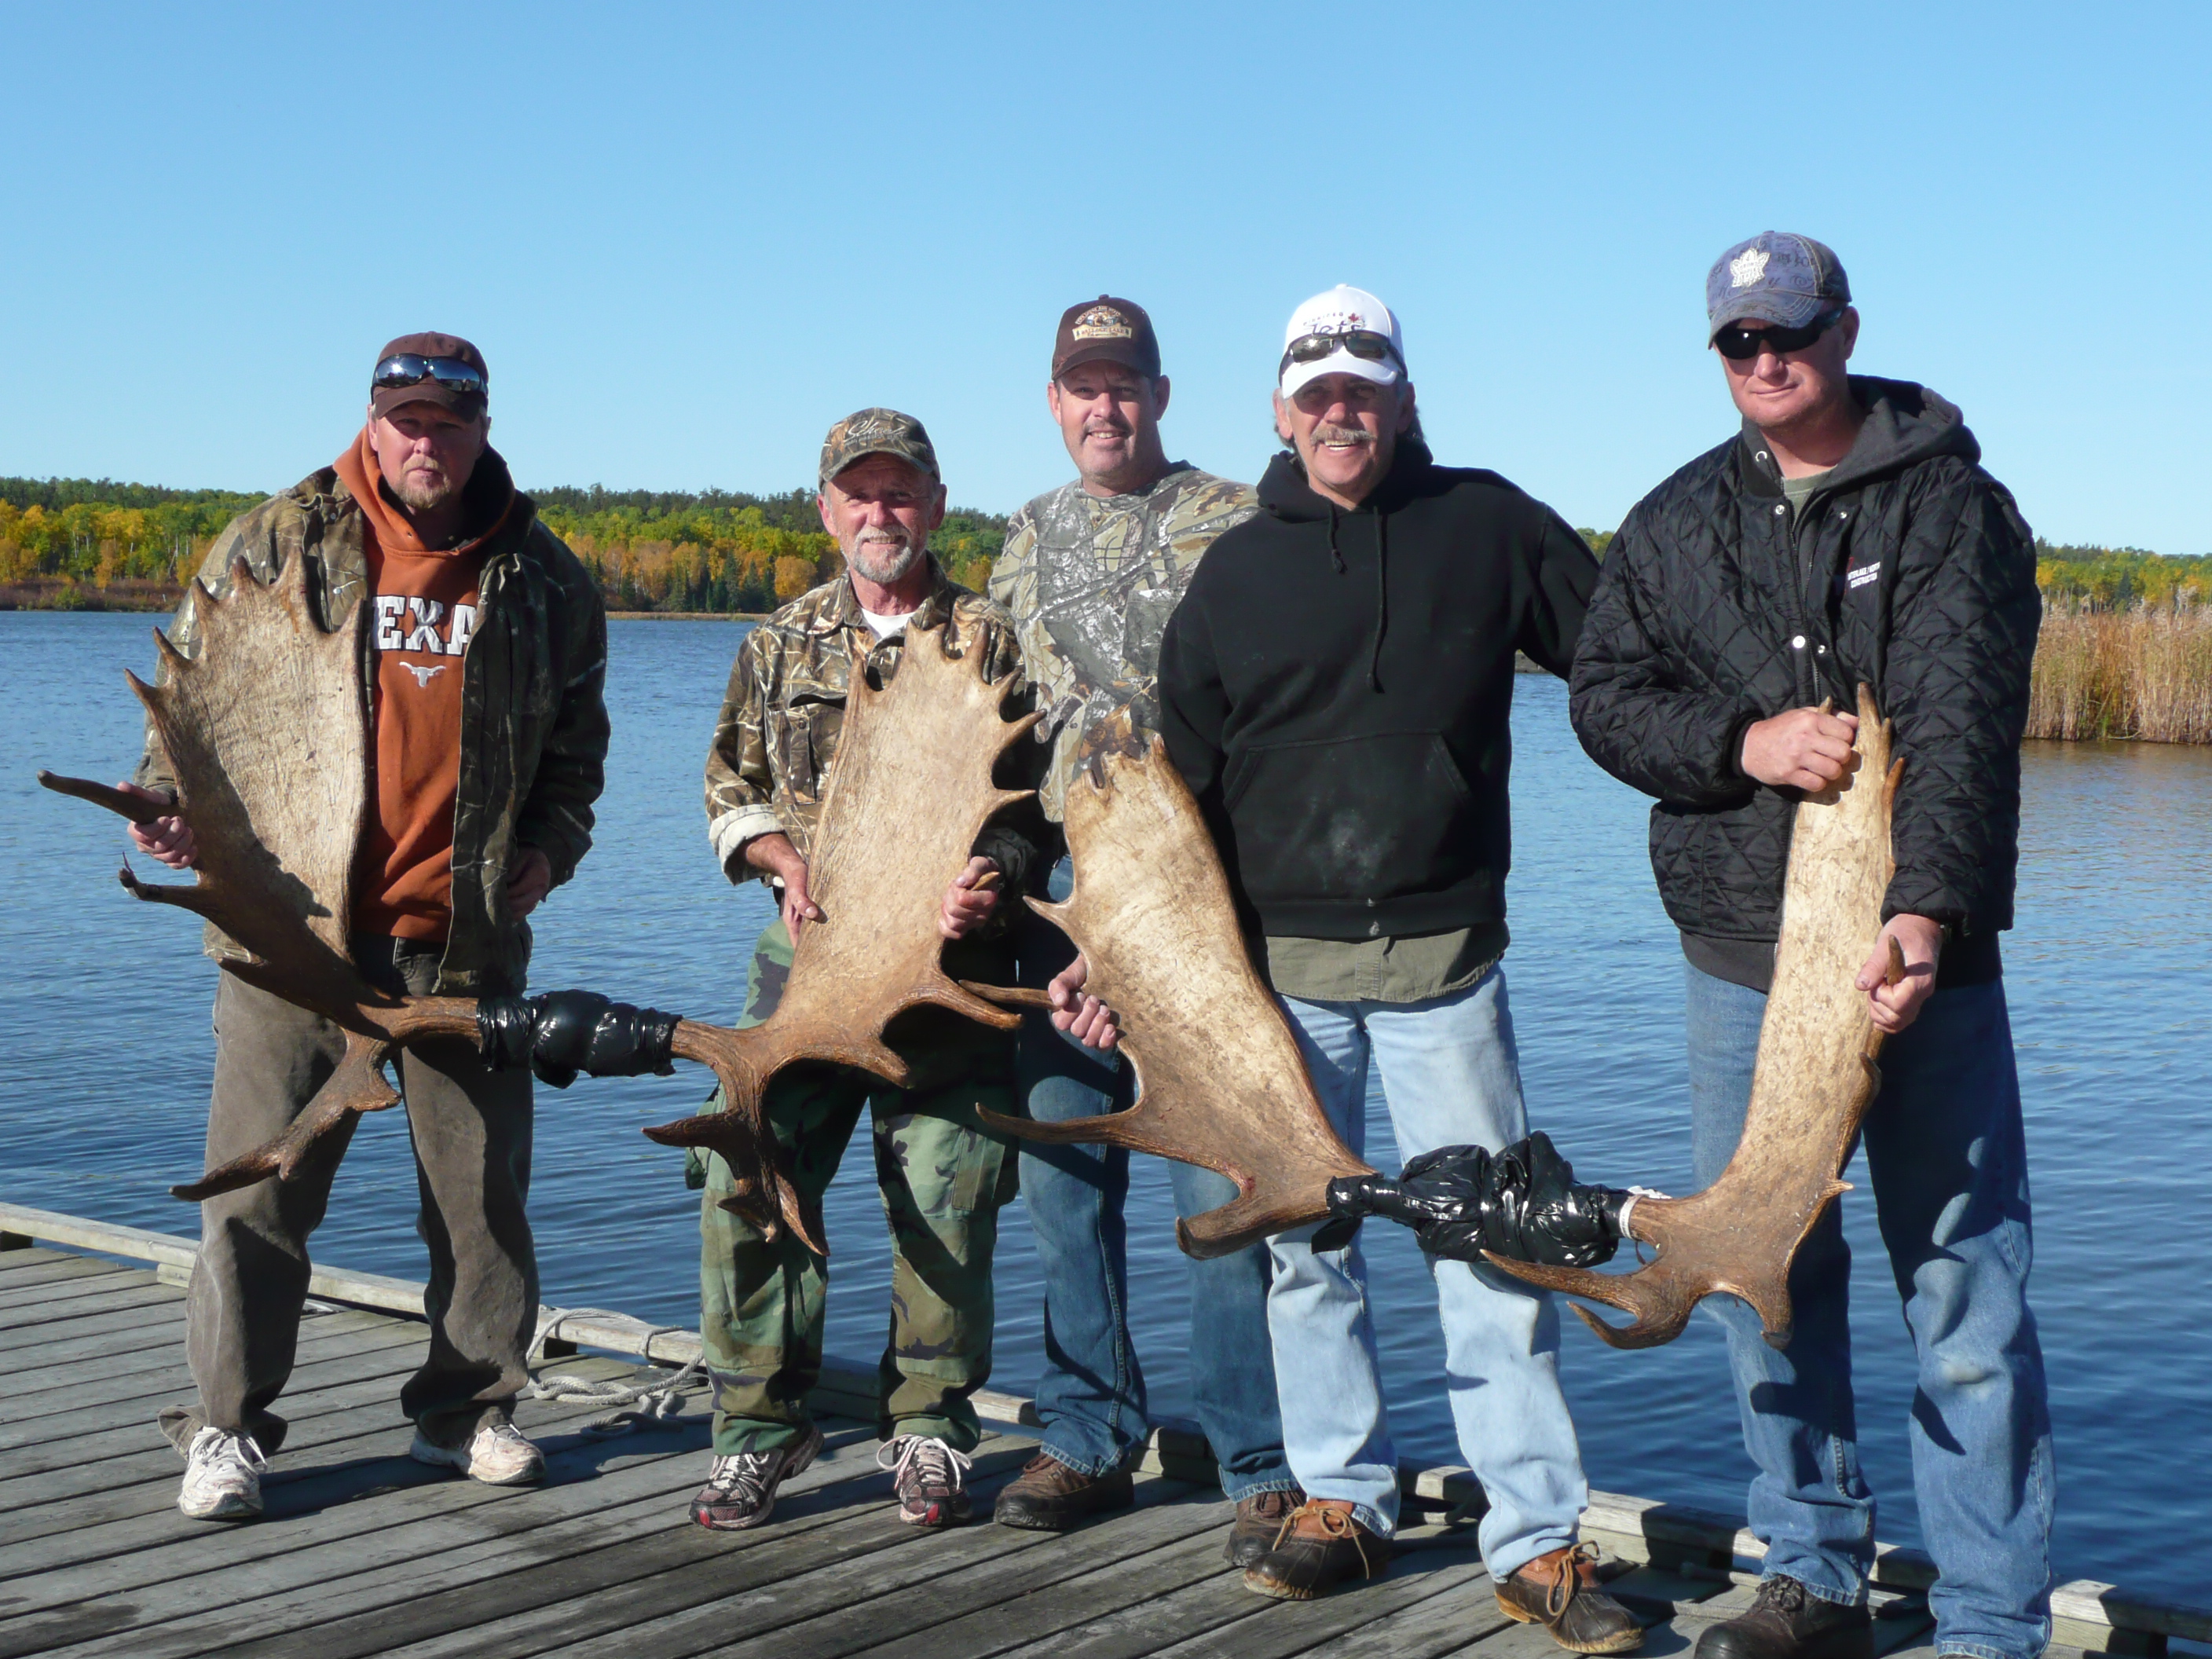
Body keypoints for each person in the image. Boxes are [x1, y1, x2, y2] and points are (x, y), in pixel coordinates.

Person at [1569, 233, 2052, 1659]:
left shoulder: (1955, 505)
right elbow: (1604, 699)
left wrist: (1928, 909)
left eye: (1790, 331)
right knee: (1760, 1273)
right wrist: (1741, 742)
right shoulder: (1669, 526)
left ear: (1844, 329)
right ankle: (1816, 1573)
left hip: (1922, 966)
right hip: (1742, 959)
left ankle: (1989, 1625)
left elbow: (1965, 719)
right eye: (1737, 341)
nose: (1765, 360)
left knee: (1965, 1294)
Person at [1156, 286, 1640, 1651]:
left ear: (1405, 397)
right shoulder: (1237, 572)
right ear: (1278, 408)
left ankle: (1536, 1535)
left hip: (1446, 966)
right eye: (1315, 389)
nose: (1339, 409)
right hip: (1280, 981)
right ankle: (1339, 1499)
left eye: (1363, 385)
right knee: (1311, 1248)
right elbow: (1174, 795)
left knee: (1493, 1245)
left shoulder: (1486, 524)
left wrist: (1738, 740)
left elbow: (1620, 658)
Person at [121, 332, 610, 1520]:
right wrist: (168, 808)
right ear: (373, 421)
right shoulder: (277, 540)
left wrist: (549, 849)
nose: (424, 440)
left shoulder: (544, 578)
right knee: (258, 1189)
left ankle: (469, 1410)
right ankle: (230, 1429)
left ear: (484, 427)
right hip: (292, 939)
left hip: (467, 946)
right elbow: (191, 701)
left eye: (448, 420)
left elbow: (577, 752)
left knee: (480, 1200)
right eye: (406, 418)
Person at [983, 295, 1301, 1564]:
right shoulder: (1023, 540)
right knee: (1064, 1184)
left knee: (1218, 1192)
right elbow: (1004, 745)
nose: (1104, 406)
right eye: (1082, 387)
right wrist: (1000, 871)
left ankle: (1257, 1460)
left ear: (1161, 396)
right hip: (1061, 914)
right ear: (1054, 403)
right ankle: (1089, 1431)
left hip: (1200, 912)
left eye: (1125, 385)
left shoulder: (1237, 520)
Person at [694, 408, 1043, 1533]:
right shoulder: (780, 641)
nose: (880, 512)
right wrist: (778, 858)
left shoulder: (994, 640)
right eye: (860, 493)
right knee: (747, 1168)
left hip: (955, 976)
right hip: (805, 968)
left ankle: (932, 1431)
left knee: (946, 1199)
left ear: (936, 506)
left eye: (901, 493)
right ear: (828, 508)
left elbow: (1038, 809)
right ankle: (757, 1429)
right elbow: (728, 787)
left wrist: (990, 874)